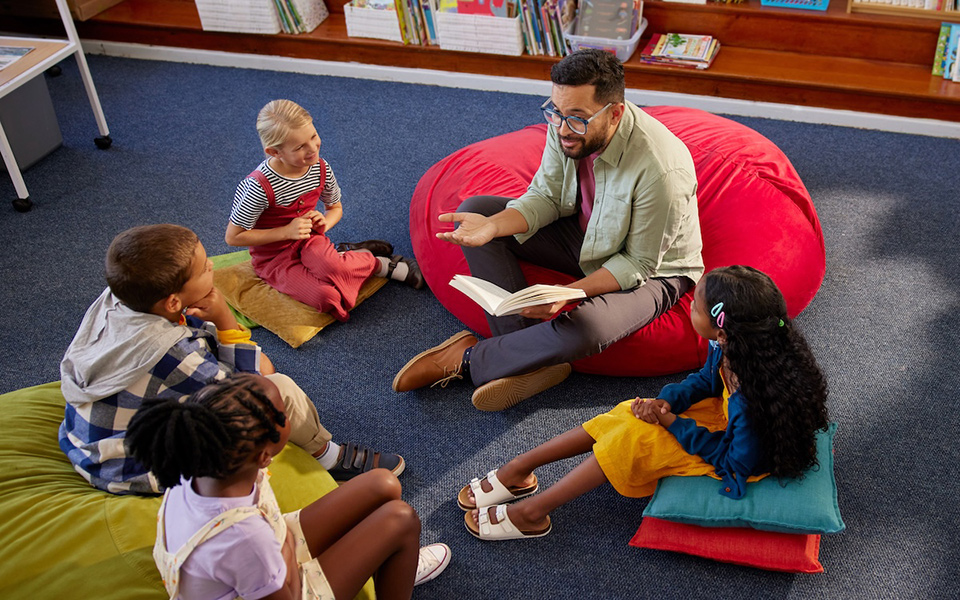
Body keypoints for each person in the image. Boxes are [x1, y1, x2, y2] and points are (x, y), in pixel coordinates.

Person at [392, 49, 703, 411]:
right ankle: (526, 359)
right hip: (584, 234)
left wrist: (568, 292)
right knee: (476, 211)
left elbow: (638, 263)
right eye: (555, 111)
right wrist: (493, 227)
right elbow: (547, 198)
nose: (561, 128)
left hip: (656, 272)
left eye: (576, 117)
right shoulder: (565, 125)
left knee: (590, 328)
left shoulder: (663, 169)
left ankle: (471, 358)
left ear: (615, 113)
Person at [457, 266, 830, 541]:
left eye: (696, 307)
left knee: (633, 442)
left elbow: (731, 458)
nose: (689, 308)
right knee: (629, 411)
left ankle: (533, 513)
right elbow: (705, 381)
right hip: (723, 418)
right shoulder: (731, 346)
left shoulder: (753, 400)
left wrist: (670, 424)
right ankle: (521, 467)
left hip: (735, 455)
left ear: (721, 328)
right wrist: (664, 403)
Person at [59, 224, 403, 495]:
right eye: (205, 269)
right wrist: (224, 318)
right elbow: (258, 380)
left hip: (87, 443)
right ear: (173, 303)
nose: (213, 266)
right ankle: (328, 457)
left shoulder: (115, 300)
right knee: (279, 389)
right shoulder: (172, 352)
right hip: (137, 469)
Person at [125, 373, 451, 600]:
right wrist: (282, 551)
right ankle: (394, 570)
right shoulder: (244, 538)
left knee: (384, 483)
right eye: (283, 416)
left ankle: (392, 565)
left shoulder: (199, 461)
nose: (289, 413)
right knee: (401, 519)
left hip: (267, 550)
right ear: (266, 455)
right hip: (280, 581)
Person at [225, 99, 423, 323]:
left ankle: (382, 265)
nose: (312, 149)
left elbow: (335, 208)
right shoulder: (257, 187)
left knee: (333, 268)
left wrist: (324, 224)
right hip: (274, 259)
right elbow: (233, 237)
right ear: (274, 152)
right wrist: (286, 232)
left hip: (310, 240)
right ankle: (350, 257)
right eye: (300, 147)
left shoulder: (321, 168)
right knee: (327, 297)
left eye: (313, 136)